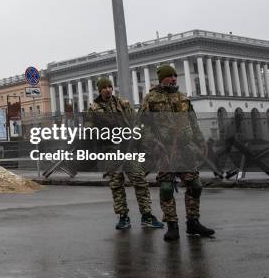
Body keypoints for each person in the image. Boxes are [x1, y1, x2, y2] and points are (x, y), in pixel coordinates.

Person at [139, 65, 215, 241]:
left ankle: (193, 222)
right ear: (161, 78)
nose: (173, 78)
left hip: (186, 148)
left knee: (195, 185)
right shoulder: (150, 99)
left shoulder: (183, 97)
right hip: (166, 150)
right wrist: (153, 142)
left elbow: (193, 121)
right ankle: (172, 225)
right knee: (166, 188)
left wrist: (200, 140)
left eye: (175, 75)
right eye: (169, 76)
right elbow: (142, 126)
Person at [88, 77, 164, 230]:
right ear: (100, 90)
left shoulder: (123, 104)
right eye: (104, 87)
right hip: (110, 150)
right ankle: (123, 217)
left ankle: (147, 216)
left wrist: (145, 143)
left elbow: (137, 124)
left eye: (110, 86)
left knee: (140, 181)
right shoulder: (93, 108)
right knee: (116, 185)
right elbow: (89, 130)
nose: (108, 89)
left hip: (128, 147)